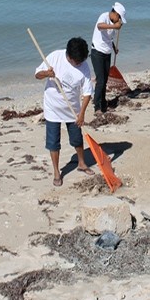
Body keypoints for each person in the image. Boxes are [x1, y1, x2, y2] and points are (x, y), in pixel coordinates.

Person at [35, 36, 95, 187]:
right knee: (53, 141)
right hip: (52, 108)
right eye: (77, 62)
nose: (80, 64)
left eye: (81, 61)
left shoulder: (84, 66)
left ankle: (81, 163)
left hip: (72, 109)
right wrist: (47, 74)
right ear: (68, 56)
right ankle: (57, 172)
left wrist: (82, 114)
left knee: (77, 138)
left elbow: (87, 92)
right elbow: (37, 74)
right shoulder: (55, 56)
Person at [90, 2, 127, 114]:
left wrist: (114, 48)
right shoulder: (104, 16)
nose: (119, 20)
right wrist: (114, 26)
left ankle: (103, 102)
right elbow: (99, 26)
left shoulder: (114, 23)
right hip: (97, 52)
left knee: (105, 79)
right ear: (115, 13)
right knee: (100, 80)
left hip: (107, 52)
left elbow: (109, 39)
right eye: (119, 17)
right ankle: (97, 107)